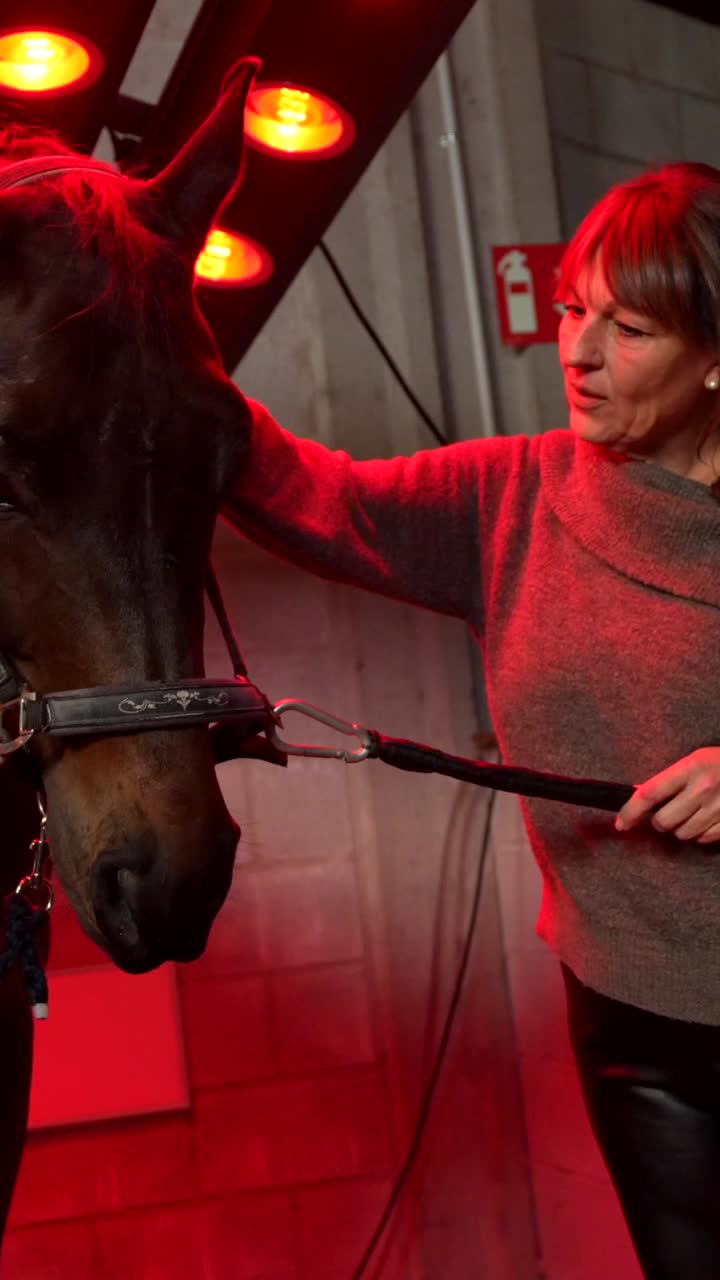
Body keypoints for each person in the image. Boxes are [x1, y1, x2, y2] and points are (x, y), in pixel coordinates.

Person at [222, 162, 720, 1279]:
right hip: (639, 1027)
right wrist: (172, 367)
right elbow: (319, 496)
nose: (579, 354)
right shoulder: (515, 494)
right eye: (571, 309)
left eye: (629, 327)